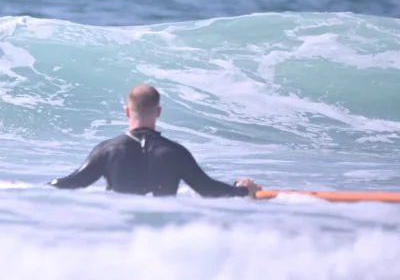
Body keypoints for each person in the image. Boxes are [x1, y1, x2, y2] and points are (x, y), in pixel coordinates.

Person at [47, 84, 260, 198]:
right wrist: (241, 189)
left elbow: (73, 182)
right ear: (158, 112)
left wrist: (29, 189)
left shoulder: (108, 150)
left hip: (118, 229)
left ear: (127, 112)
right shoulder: (175, 153)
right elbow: (207, 189)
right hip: (161, 235)